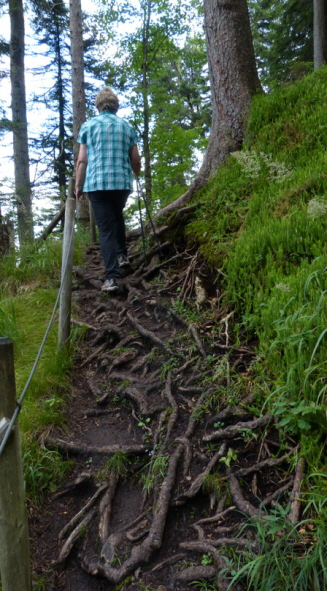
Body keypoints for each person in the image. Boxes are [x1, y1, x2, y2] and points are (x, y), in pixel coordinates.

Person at [75, 87, 141, 292]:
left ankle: (111, 278)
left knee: (105, 229)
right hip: (121, 183)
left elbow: (82, 160)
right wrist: (137, 173)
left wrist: (78, 185)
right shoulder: (127, 126)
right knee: (117, 216)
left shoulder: (88, 126)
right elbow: (136, 158)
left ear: (98, 105)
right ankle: (122, 256)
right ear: (115, 105)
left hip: (97, 184)